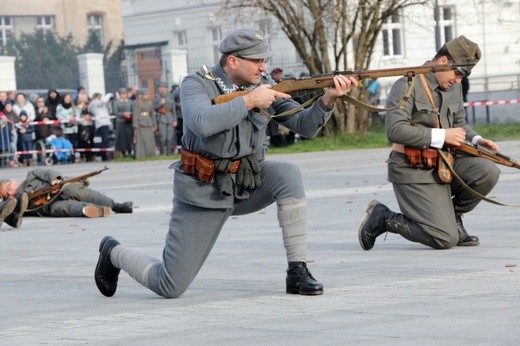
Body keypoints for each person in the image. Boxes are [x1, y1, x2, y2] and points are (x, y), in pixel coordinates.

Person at [94, 28, 357, 299]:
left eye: (264, 61)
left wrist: (328, 99)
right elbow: (202, 122)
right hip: (203, 191)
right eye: (257, 61)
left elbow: (305, 126)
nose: (263, 67)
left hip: (246, 184)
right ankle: (113, 252)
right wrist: (249, 101)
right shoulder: (196, 84)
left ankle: (298, 269)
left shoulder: (263, 86)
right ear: (233, 61)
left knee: (288, 175)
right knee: (169, 286)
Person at [358, 35, 501, 251]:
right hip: (412, 168)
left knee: (488, 171)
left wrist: (477, 139)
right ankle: (383, 218)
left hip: (443, 163)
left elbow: (459, 123)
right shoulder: (408, 84)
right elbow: (394, 130)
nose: (458, 80)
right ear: (443, 62)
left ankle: (453, 218)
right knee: (444, 239)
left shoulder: (453, 87)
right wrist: (442, 136)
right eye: (458, 73)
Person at [1, 168, 133, 218]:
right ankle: (93, 210)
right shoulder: (16, 203)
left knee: (73, 191)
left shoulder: (31, 176)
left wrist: (55, 180)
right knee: (62, 209)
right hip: (49, 207)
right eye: (6, 196)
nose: (10, 195)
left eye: (8, 190)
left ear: (13, 182)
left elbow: (48, 172)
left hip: (60, 189)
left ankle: (117, 206)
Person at [153, 81, 177, 155]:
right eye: (162, 88)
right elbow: (154, 107)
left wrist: (175, 120)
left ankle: (169, 153)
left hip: (170, 118)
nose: (164, 89)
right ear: (159, 89)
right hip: (161, 118)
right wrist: (160, 103)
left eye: (165, 88)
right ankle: (162, 153)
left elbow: (173, 109)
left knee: (170, 136)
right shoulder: (157, 96)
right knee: (162, 136)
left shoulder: (170, 96)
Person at [132, 88, 157, 158]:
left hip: (148, 123)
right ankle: (141, 155)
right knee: (141, 141)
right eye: (145, 94)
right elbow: (135, 113)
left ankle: (151, 154)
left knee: (150, 140)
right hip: (141, 123)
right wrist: (135, 124)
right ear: (141, 95)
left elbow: (152, 114)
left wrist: (154, 125)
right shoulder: (137, 102)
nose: (146, 96)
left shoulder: (150, 103)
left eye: (147, 94)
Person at [89, 92, 114, 161]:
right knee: (104, 140)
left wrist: (109, 104)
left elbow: (109, 110)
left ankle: (106, 155)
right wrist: (109, 94)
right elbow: (103, 102)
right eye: (99, 97)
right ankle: (104, 156)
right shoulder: (94, 103)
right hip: (101, 123)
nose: (101, 98)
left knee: (105, 140)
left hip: (105, 122)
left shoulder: (99, 104)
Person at [113, 87, 134, 157]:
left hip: (129, 121)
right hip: (120, 122)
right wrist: (123, 114)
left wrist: (129, 113)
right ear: (119, 95)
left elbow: (133, 110)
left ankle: (130, 151)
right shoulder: (116, 103)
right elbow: (115, 112)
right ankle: (123, 152)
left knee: (129, 137)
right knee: (122, 138)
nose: (124, 95)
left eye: (125, 93)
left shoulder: (130, 102)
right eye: (122, 94)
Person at [171, 82, 183, 150]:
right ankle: (180, 149)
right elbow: (171, 101)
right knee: (180, 133)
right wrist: (178, 104)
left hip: (188, 115)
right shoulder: (177, 92)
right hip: (180, 116)